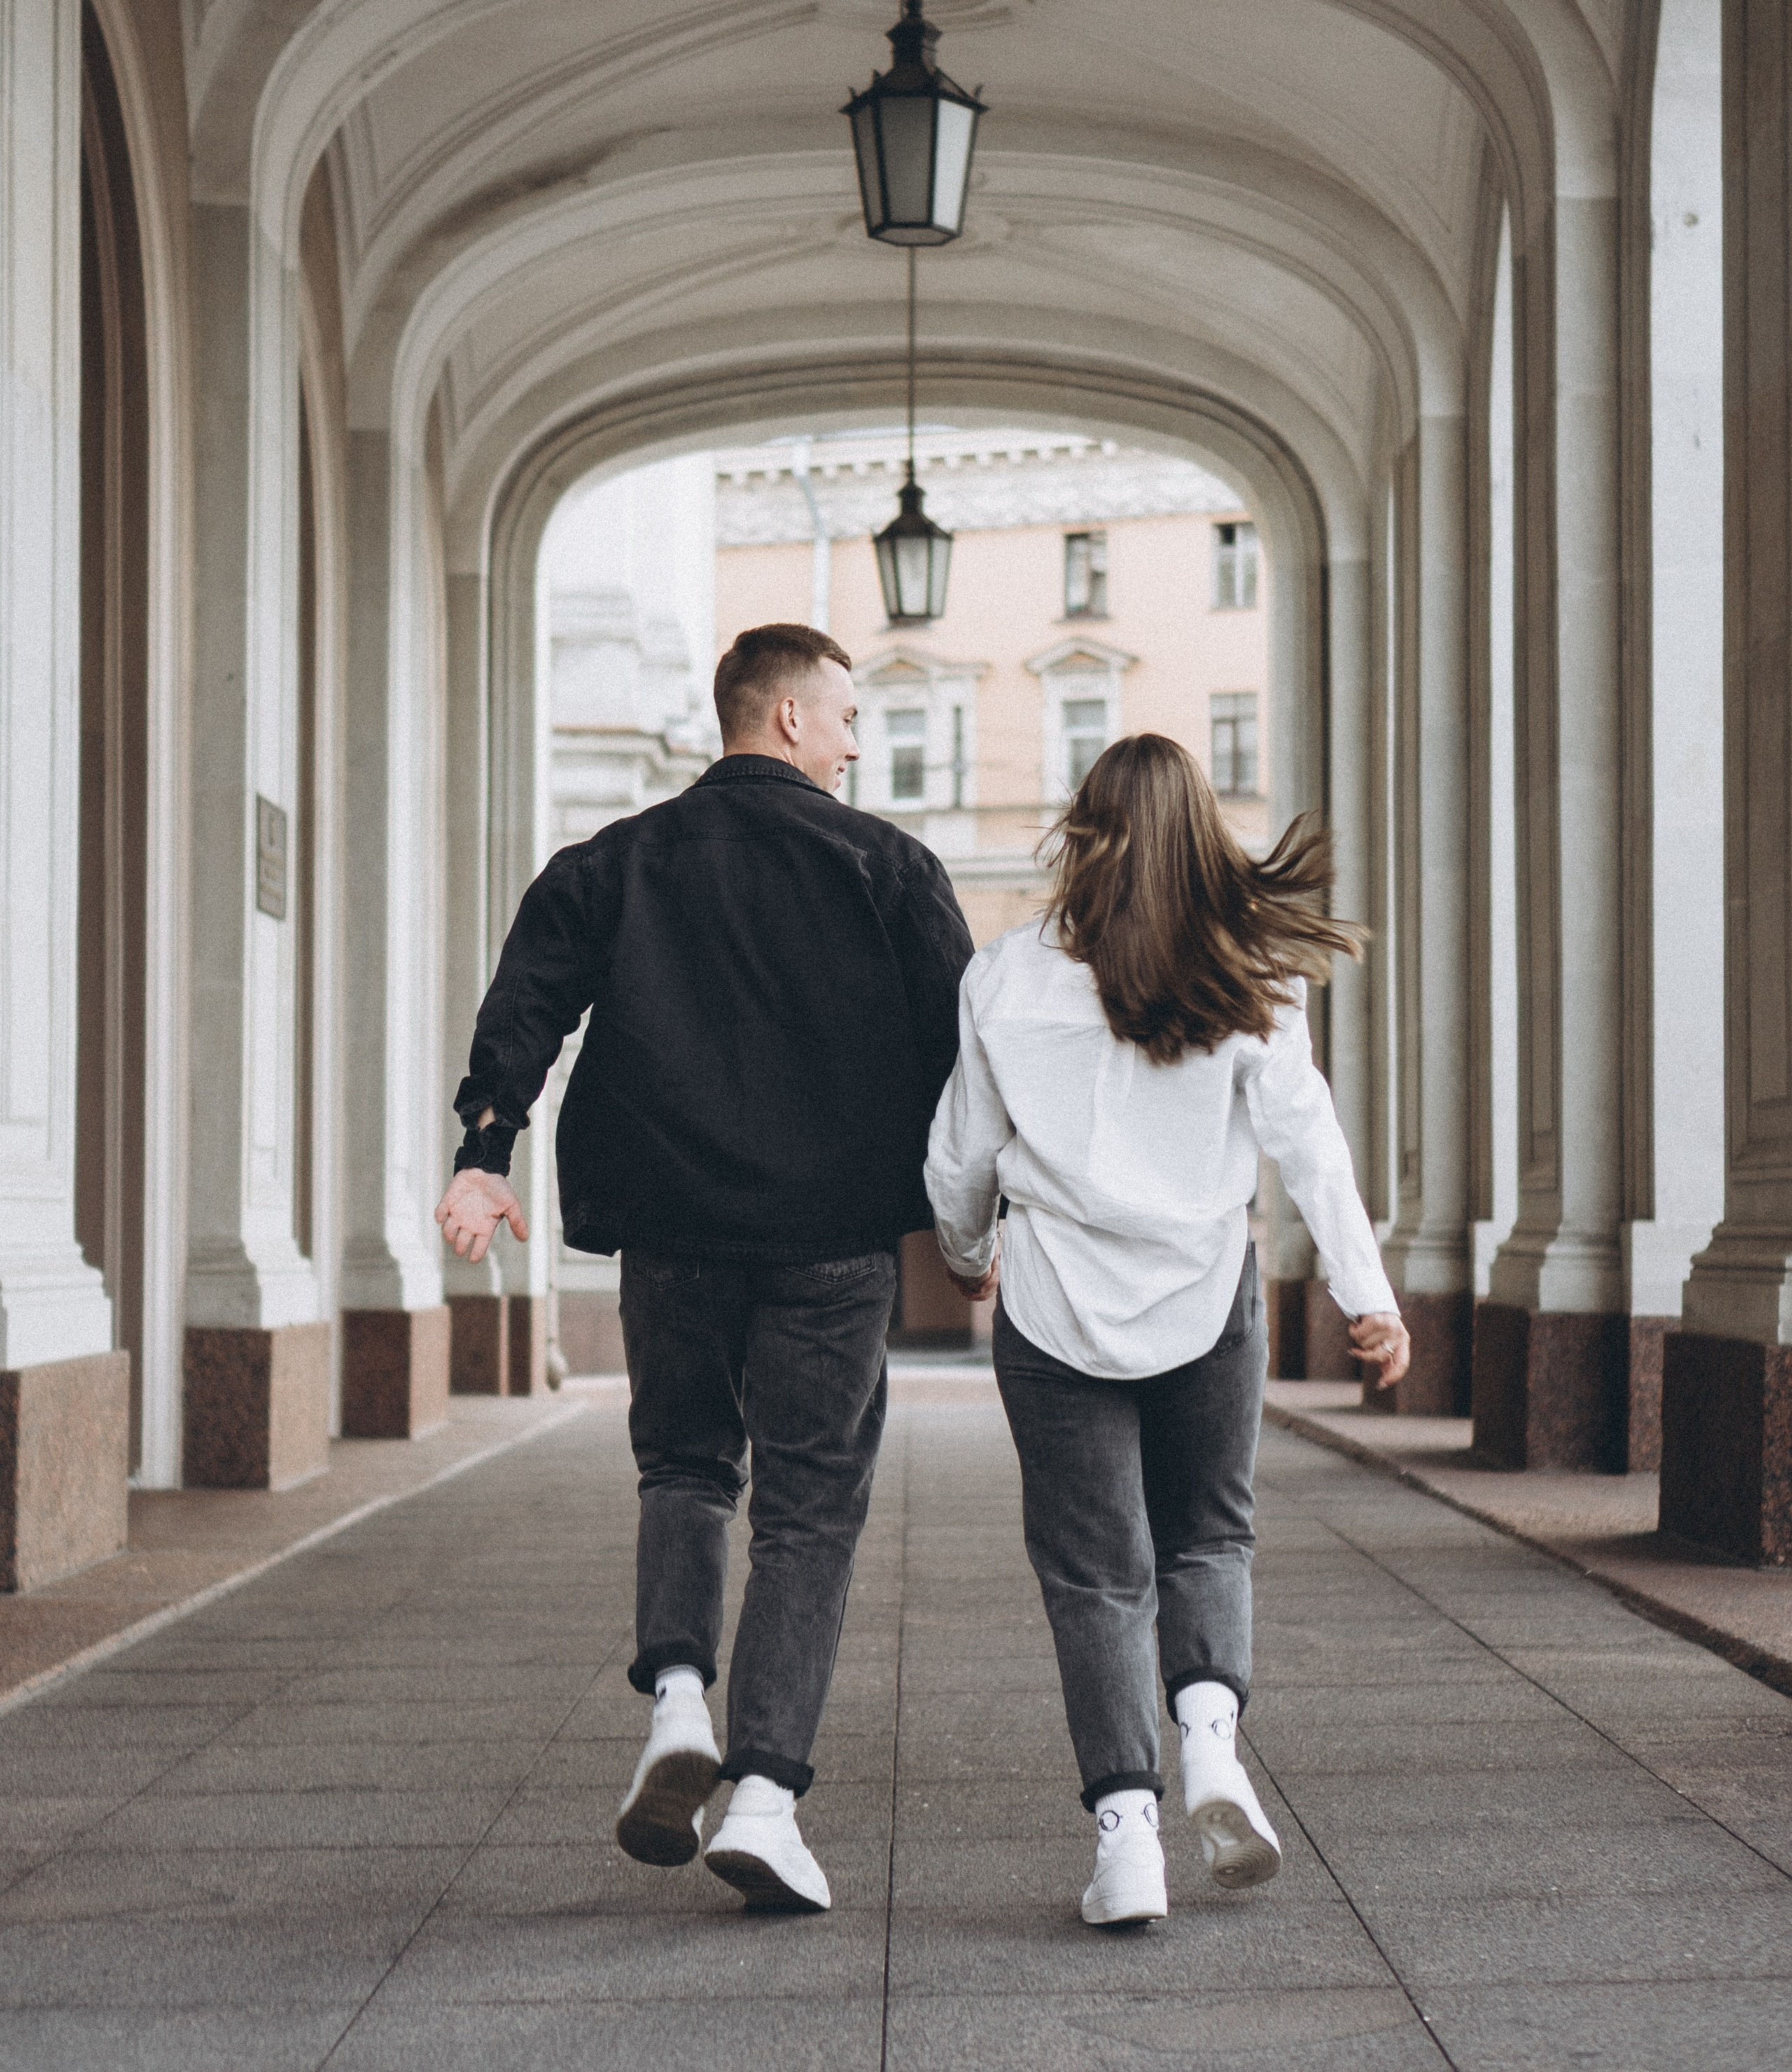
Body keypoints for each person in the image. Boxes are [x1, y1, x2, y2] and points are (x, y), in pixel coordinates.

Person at [434, 622, 972, 1913]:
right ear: (786, 718)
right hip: (832, 1242)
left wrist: (485, 1149)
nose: (856, 737)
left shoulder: (616, 861)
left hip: (671, 1230)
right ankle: (769, 1799)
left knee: (682, 1463)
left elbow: (528, 1002)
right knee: (809, 1511)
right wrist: (983, 1215)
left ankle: (679, 1698)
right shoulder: (887, 866)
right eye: (846, 714)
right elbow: (970, 1052)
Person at [925, 732, 1408, 1928]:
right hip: (1204, 1292)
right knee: (1208, 1537)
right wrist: (1367, 1293)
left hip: (1054, 1303)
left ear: (1082, 834)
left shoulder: (1005, 977)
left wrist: (971, 1254)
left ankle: (1127, 1841)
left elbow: (959, 1158)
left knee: (1094, 1575)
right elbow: (1310, 1144)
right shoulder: (1251, 978)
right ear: (1205, 834)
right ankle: (1210, 1745)